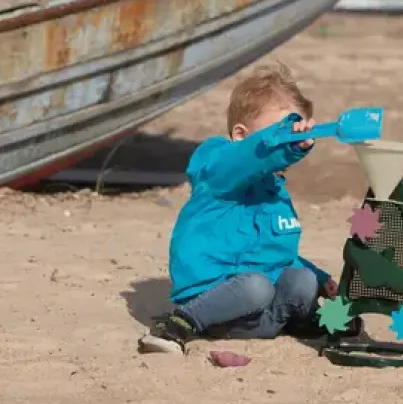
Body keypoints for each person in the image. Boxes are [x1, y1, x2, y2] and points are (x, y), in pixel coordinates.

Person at [139, 62, 346, 355]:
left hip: (260, 318)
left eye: (296, 130)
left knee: (303, 280)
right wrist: (284, 146)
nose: (292, 138)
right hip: (213, 303)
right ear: (241, 135)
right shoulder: (216, 167)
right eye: (283, 129)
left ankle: (306, 323)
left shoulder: (275, 194)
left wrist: (323, 281)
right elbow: (245, 159)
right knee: (256, 286)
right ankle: (180, 324)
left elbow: (279, 253)